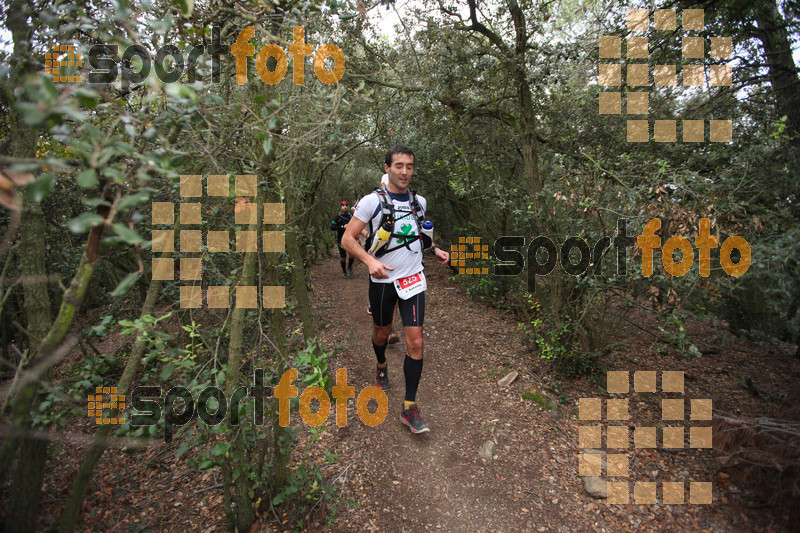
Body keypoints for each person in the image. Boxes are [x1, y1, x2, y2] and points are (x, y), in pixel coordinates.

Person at [342, 145, 450, 434]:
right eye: (399, 166)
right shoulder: (370, 202)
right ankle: (381, 364)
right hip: (382, 282)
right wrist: (368, 261)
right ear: (387, 167)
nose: (404, 172)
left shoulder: (419, 202)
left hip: (413, 280)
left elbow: (418, 237)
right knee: (381, 332)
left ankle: (409, 407)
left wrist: (435, 249)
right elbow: (347, 240)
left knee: (415, 343)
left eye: (409, 166)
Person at [331, 200, 355, 278]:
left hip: (350, 238)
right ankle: (344, 271)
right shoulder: (337, 217)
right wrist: (342, 227)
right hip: (341, 239)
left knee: (352, 255)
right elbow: (332, 227)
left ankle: (349, 267)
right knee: (343, 257)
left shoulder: (351, 216)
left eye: (346, 205)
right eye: (343, 205)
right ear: (341, 207)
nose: (345, 207)